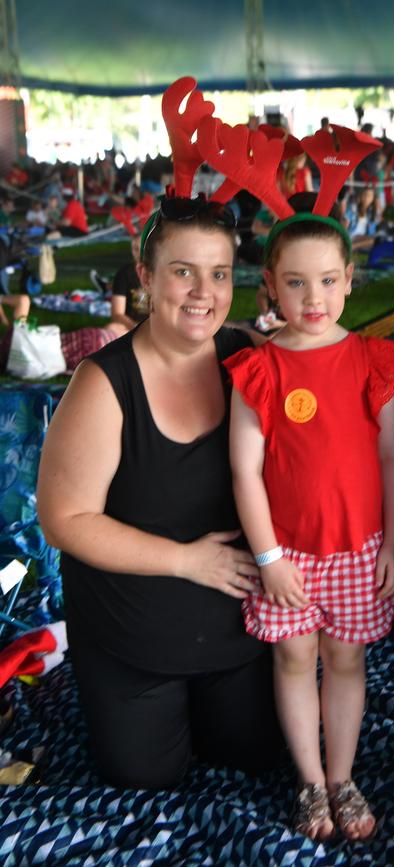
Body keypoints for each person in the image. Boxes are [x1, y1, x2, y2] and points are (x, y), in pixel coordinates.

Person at [36, 195, 284, 789]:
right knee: (147, 782)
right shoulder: (102, 383)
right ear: (145, 276)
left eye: (219, 274)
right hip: (131, 643)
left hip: (238, 633)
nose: (204, 292)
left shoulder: (250, 359)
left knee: (254, 762)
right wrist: (186, 560)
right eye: (183, 271)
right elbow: (64, 518)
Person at [224, 197, 394, 842]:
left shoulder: (372, 360)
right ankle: (308, 779)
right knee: (296, 660)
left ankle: (342, 776)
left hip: (360, 549)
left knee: (347, 662)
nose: (313, 297)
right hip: (289, 556)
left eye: (328, 280)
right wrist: (269, 557)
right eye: (295, 283)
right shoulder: (259, 368)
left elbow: (391, 453)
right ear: (269, 285)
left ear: (349, 279)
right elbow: (245, 471)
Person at [0, 293, 128, 373]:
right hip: (82, 352)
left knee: (118, 332)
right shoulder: (18, 333)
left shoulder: (17, 336)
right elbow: (22, 301)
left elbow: (22, 300)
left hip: (92, 350)